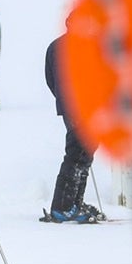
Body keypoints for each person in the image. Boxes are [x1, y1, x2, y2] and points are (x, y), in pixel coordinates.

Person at [40, 29, 105, 223]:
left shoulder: (57, 46)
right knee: (78, 155)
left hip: (72, 107)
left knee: (83, 154)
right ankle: (63, 207)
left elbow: (50, 79)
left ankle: (74, 203)